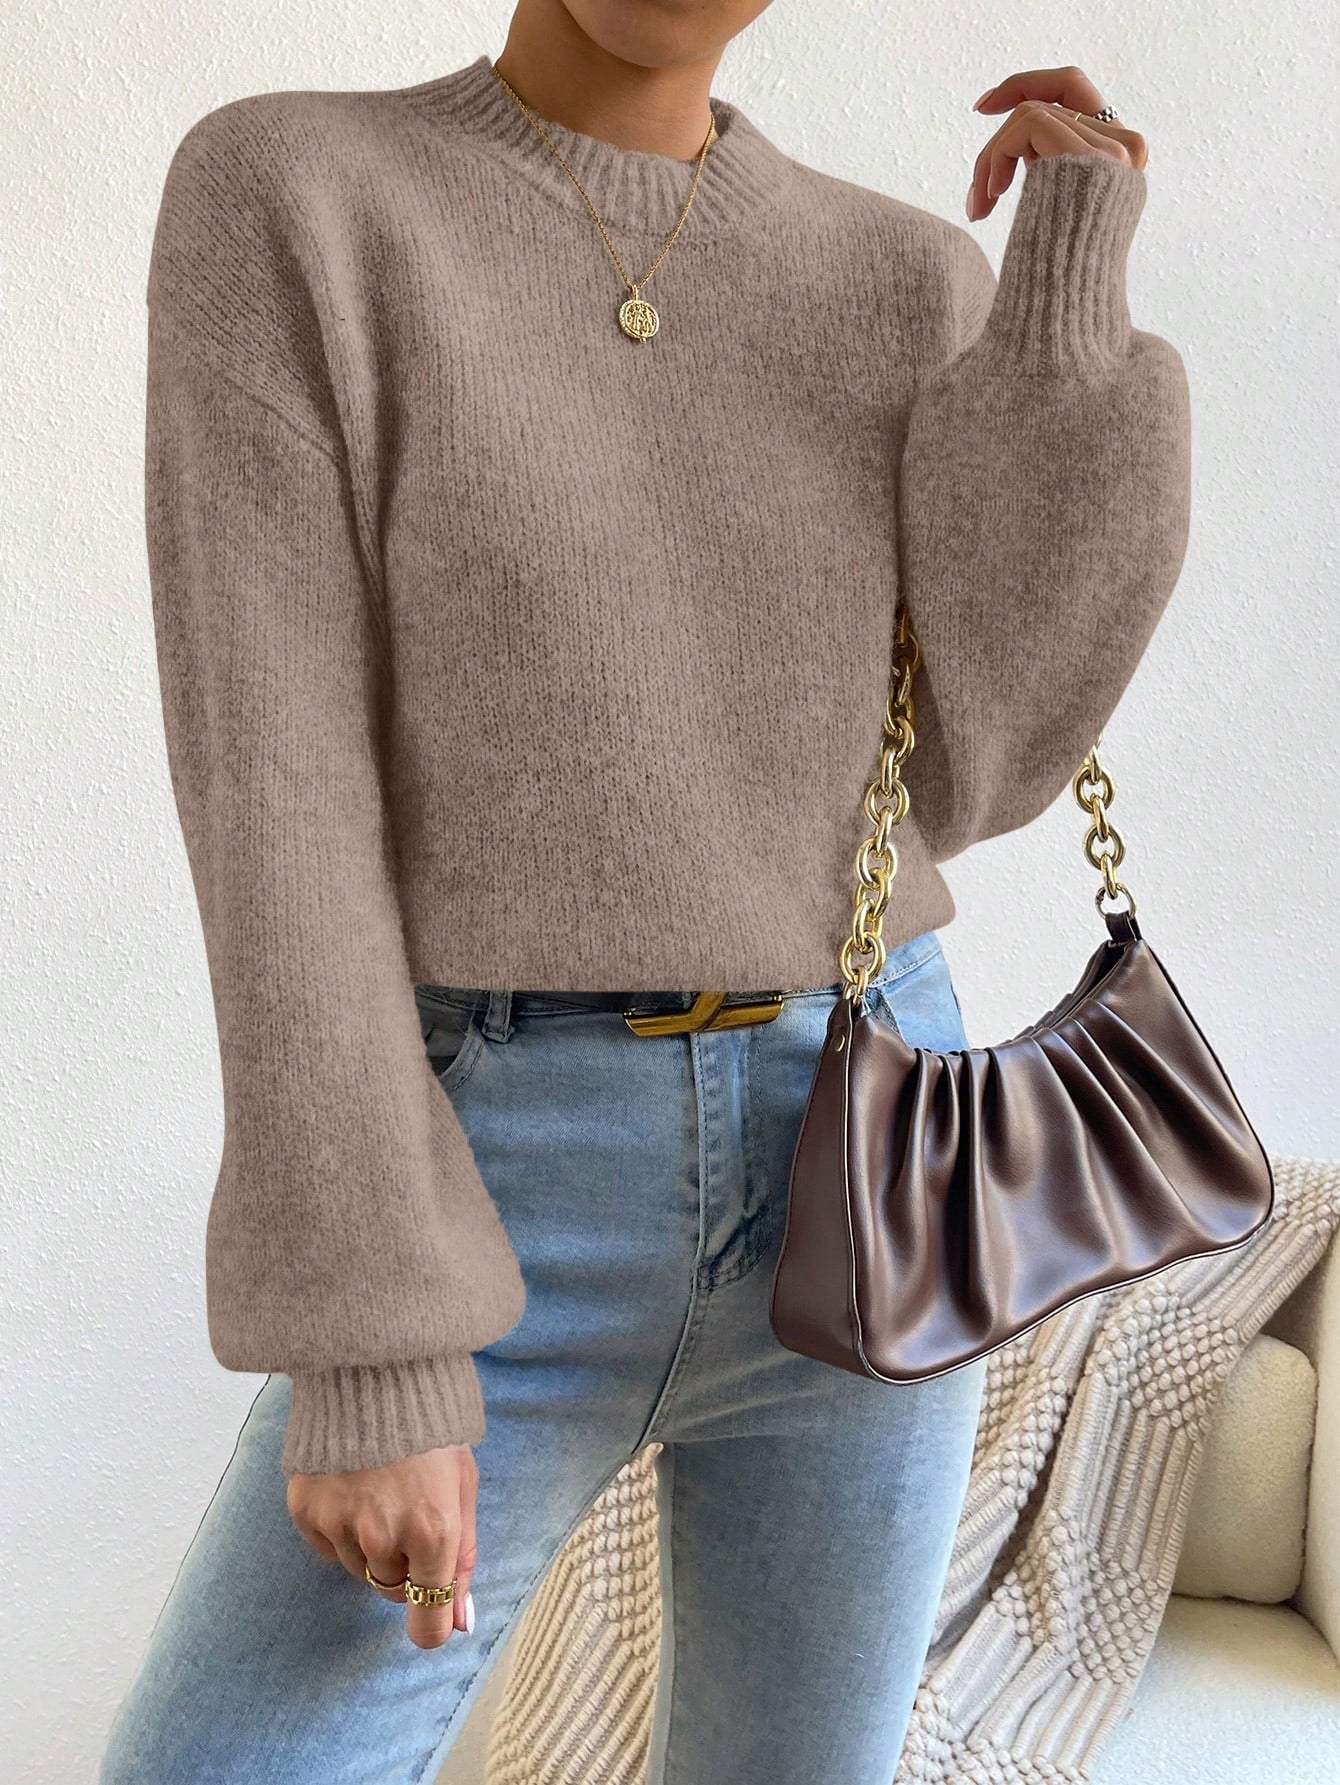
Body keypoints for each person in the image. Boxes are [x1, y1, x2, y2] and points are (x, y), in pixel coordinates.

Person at [99, 0, 1190, 1779]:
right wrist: (373, 1340)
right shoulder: (296, 193)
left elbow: (980, 767)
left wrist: (1063, 302)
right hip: (489, 1177)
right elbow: (273, 787)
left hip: (870, 1153)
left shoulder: (904, 280)